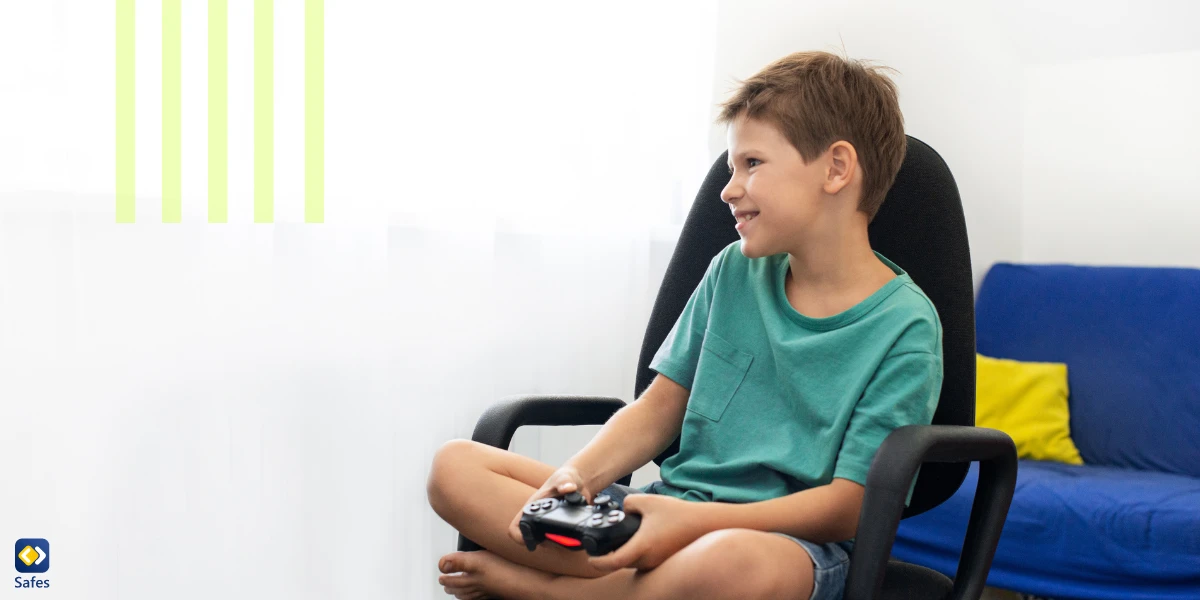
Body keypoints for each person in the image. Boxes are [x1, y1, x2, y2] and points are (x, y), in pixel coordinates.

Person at [426, 50, 942, 600]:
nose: (728, 188)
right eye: (731, 168)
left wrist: (691, 525)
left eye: (752, 164)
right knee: (454, 468)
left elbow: (849, 507)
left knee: (730, 564)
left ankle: (561, 592)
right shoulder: (732, 270)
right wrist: (577, 479)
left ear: (836, 168)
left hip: (783, 544)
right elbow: (658, 408)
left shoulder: (906, 327)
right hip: (668, 508)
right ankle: (620, 582)